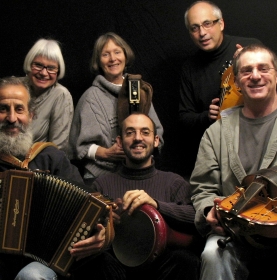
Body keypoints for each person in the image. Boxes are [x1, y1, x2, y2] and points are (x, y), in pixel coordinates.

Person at [0, 76, 112, 280]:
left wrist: (102, 234)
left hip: (41, 264)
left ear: (31, 116)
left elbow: (90, 207)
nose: (12, 118)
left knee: (31, 277)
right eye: (3, 109)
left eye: (19, 109)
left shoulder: (52, 158)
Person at [190, 44, 277, 280]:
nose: (256, 76)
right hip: (234, 235)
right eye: (247, 70)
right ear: (237, 82)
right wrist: (210, 210)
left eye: (263, 68)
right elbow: (203, 188)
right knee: (211, 254)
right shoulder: (216, 133)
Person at [89, 112, 201, 280]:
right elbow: (86, 230)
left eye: (145, 132)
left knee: (185, 260)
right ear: (119, 142)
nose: (138, 138)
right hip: (117, 268)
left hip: (162, 267)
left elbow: (197, 217)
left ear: (156, 140)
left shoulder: (174, 182)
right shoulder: (102, 184)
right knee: (97, 261)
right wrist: (104, 223)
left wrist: (156, 205)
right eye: (130, 132)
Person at [68, 32, 164, 186]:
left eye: (117, 52)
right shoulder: (91, 98)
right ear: (98, 61)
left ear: (125, 56)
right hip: (101, 177)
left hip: (139, 174)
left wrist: (141, 148)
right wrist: (106, 153)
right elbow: (79, 147)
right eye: (106, 54)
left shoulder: (139, 90)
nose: (113, 59)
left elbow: (157, 136)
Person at [178, 0, 261, 176]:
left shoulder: (250, 47)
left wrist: (251, 62)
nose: (202, 33)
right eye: (194, 28)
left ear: (221, 23)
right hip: (218, 155)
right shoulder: (189, 67)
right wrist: (207, 116)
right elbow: (185, 117)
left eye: (207, 24)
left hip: (258, 144)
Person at [23, 38, 74, 153]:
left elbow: (57, 149)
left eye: (51, 68)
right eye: (38, 65)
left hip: (37, 165)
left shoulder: (61, 95)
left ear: (58, 71)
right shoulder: (15, 87)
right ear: (29, 64)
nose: (43, 73)